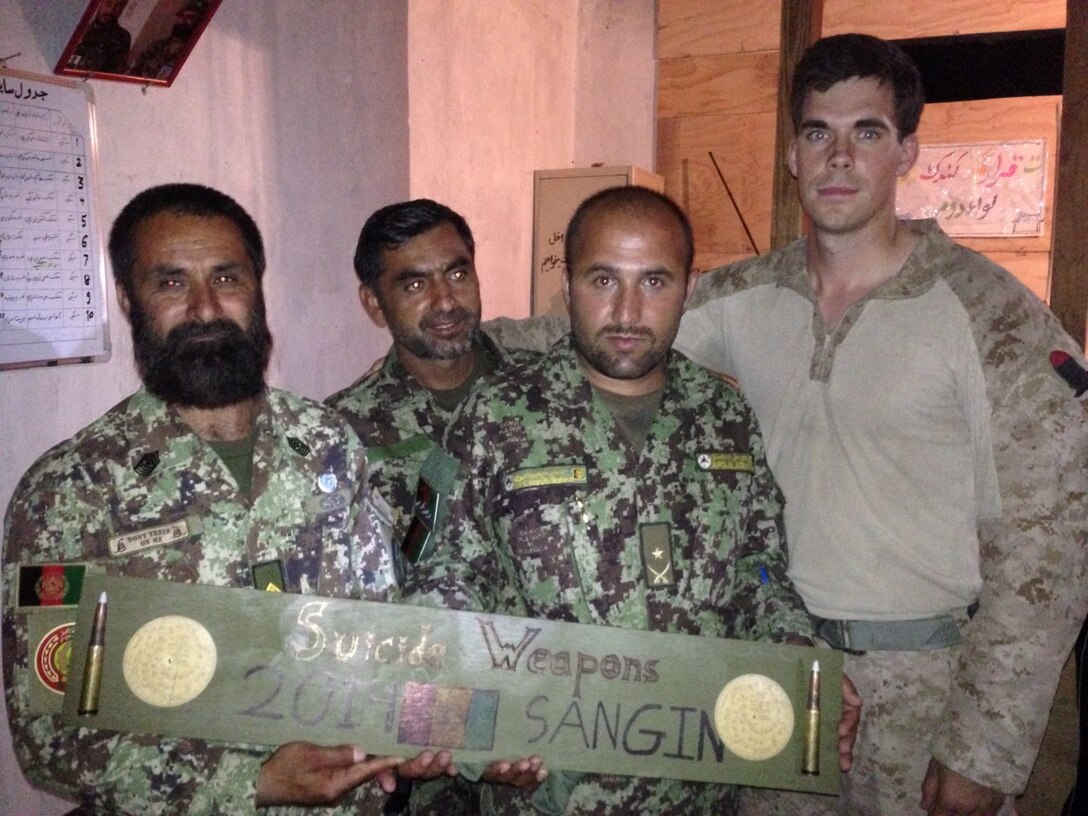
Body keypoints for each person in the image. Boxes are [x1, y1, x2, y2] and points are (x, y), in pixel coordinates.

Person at [672, 34, 1088, 816]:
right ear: (792, 155)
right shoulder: (741, 298)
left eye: (866, 132)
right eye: (816, 132)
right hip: (781, 672)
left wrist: (984, 749)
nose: (838, 157)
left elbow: (1052, 542)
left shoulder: (992, 318)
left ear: (907, 152)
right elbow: (611, 332)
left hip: (925, 694)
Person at [405, 186, 858, 814]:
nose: (626, 311)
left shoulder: (723, 415)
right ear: (566, 288)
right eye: (602, 280)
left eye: (654, 281)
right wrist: (479, 741)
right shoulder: (496, 417)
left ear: (689, 289)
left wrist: (796, 660)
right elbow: (443, 586)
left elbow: (760, 572)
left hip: (700, 790)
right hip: (548, 791)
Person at [0, 183, 443, 814]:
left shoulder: (327, 444)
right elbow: (49, 736)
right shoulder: (71, 493)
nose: (206, 308)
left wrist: (414, 726)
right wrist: (251, 781)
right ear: (129, 299)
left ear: (257, 288)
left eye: (227, 278)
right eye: (172, 283)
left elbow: (380, 631)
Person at [326, 198, 538, 553]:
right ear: (375, 305)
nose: (445, 301)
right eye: (415, 286)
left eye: (457, 275)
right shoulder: (340, 433)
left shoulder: (547, 391)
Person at [129, 0, 208, 80]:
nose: (183, 21)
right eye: (180, 16)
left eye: (189, 17)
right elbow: (135, 71)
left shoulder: (193, 54)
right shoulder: (157, 46)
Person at [68, 0, 131, 74]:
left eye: (118, 6)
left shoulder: (121, 37)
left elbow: (113, 74)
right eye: (108, 3)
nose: (110, 10)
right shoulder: (80, 26)